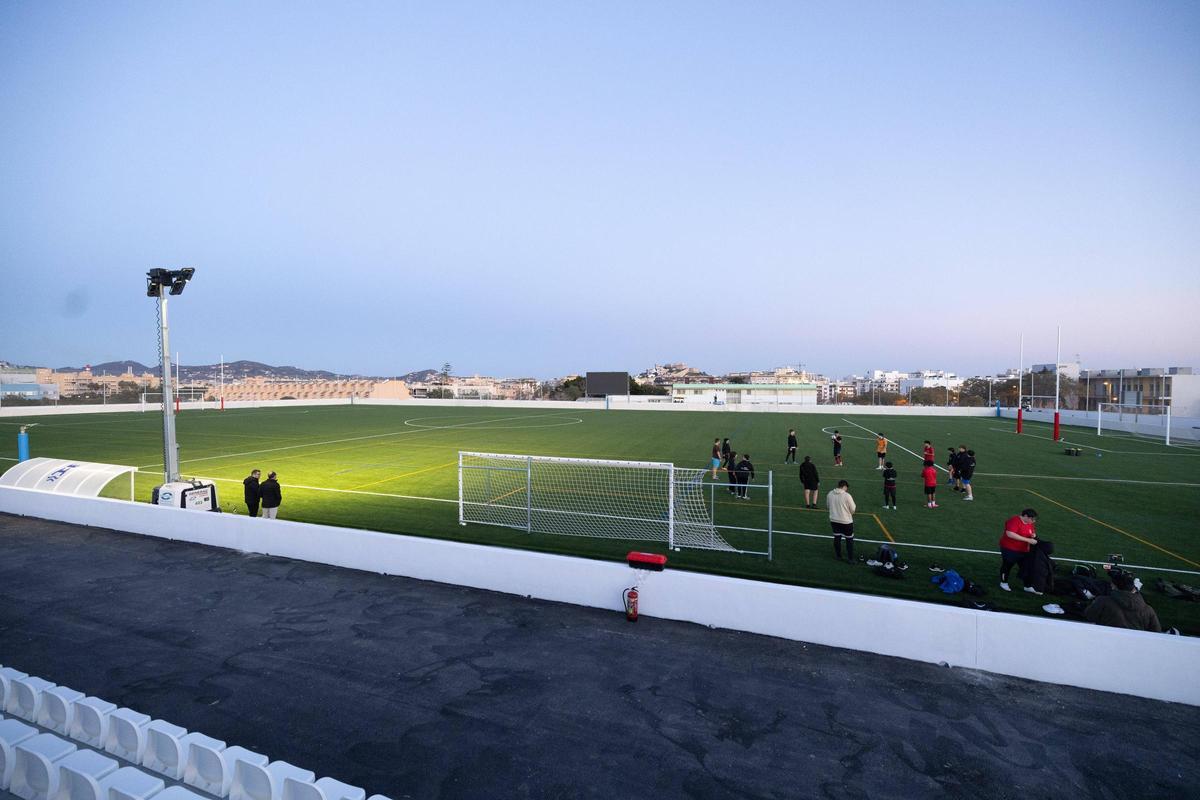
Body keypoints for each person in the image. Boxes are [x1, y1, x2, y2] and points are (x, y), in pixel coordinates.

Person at [1085, 570, 1163, 632]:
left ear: (1113, 586)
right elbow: (1156, 632)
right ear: (1133, 588)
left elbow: (1089, 616)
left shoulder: (1103, 601)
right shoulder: (1148, 610)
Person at [999, 508, 1038, 592]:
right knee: (1007, 566)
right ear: (1025, 516)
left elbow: (1031, 530)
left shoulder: (1029, 522)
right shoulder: (1014, 521)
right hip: (1010, 549)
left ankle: (1027, 586)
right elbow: (1010, 534)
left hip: (1023, 550)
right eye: (1032, 519)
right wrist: (1028, 540)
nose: (1033, 521)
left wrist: (1033, 535)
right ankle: (1003, 582)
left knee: (1026, 567)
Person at [827, 480, 856, 561]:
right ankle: (850, 559)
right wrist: (850, 513)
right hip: (846, 521)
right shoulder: (847, 496)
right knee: (849, 539)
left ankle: (838, 556)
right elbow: (853, 508)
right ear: (844, 487)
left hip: (834, 520)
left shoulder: (830, 494)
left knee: (837, 538)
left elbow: (828, 506)